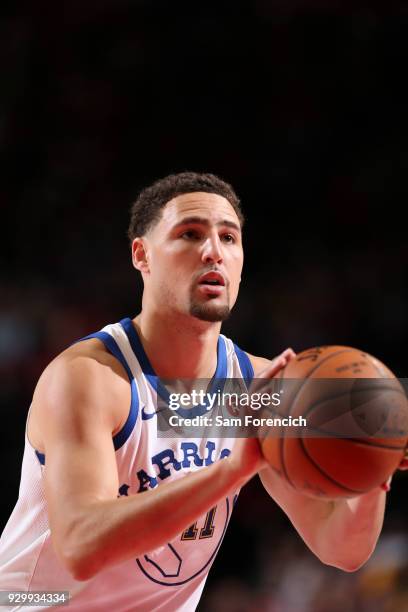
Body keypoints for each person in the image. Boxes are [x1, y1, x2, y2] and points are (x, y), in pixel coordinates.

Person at [0, 172, 389, 611]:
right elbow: (81, 547)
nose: (213, 252)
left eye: (229, 238)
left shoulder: (256, 385)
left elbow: (341, 549)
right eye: (190, 234)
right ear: (142, 255)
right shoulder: (88, 378)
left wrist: (374, 468)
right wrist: (232, 470)